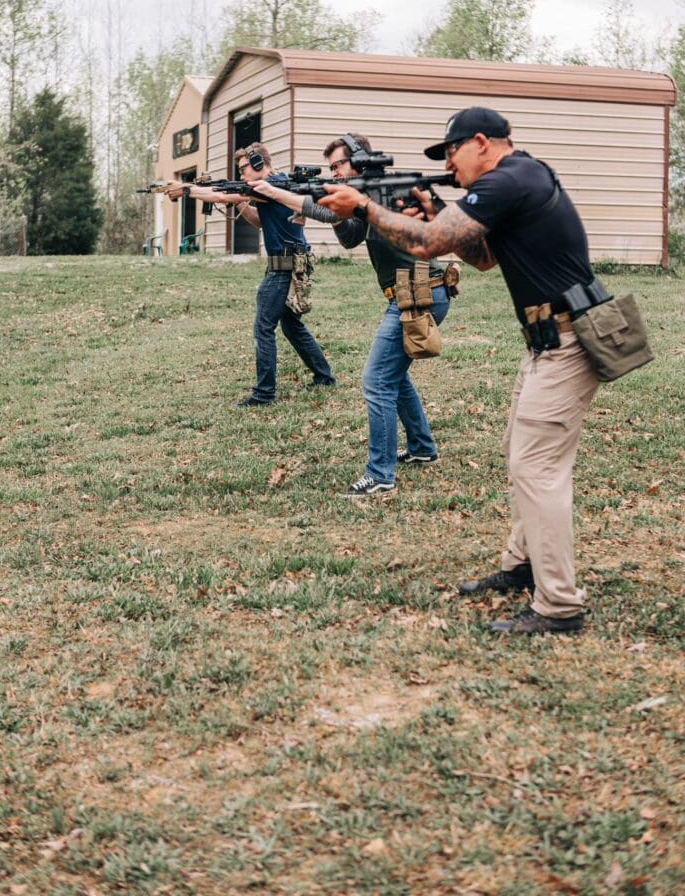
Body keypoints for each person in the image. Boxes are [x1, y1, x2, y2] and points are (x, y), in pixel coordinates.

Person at [319, 108, 600, 634]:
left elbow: (427, 247)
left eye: (450, 153)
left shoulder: (508, 177)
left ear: (480, 142)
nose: (449, 164)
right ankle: (523, 565)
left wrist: (364, 205)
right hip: (550, 338)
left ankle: (559, 605)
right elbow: (485, 256)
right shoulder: (518, 179)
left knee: (536, 469)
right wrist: (437, 210)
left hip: (568, 340)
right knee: (520, 454)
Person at [252, 134, 450, 496]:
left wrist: (277, 193)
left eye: (339, 165)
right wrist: (335, 213)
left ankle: (380, 475)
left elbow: (328, 210)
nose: (335, 173)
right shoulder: (363, 197)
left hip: (419, 291)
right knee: (394, 377)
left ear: (359, 162)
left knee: (376, 381)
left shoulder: (383, 190)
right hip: (413, 291)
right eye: (331, 168)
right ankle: (422, 448)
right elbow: (350, 237)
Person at [167, 143, 335, 407]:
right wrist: (242, 202)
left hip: (284, 266)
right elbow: (260, 220)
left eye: (244, 168)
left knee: (263, 327)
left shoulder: (273, 185)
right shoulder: (273, 188)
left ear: (259, 164)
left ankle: (264, 394)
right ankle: (324, 377)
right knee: (291, 326)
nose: (242, 174)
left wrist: (187, 189)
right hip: (290, 262)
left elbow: (222, 197)